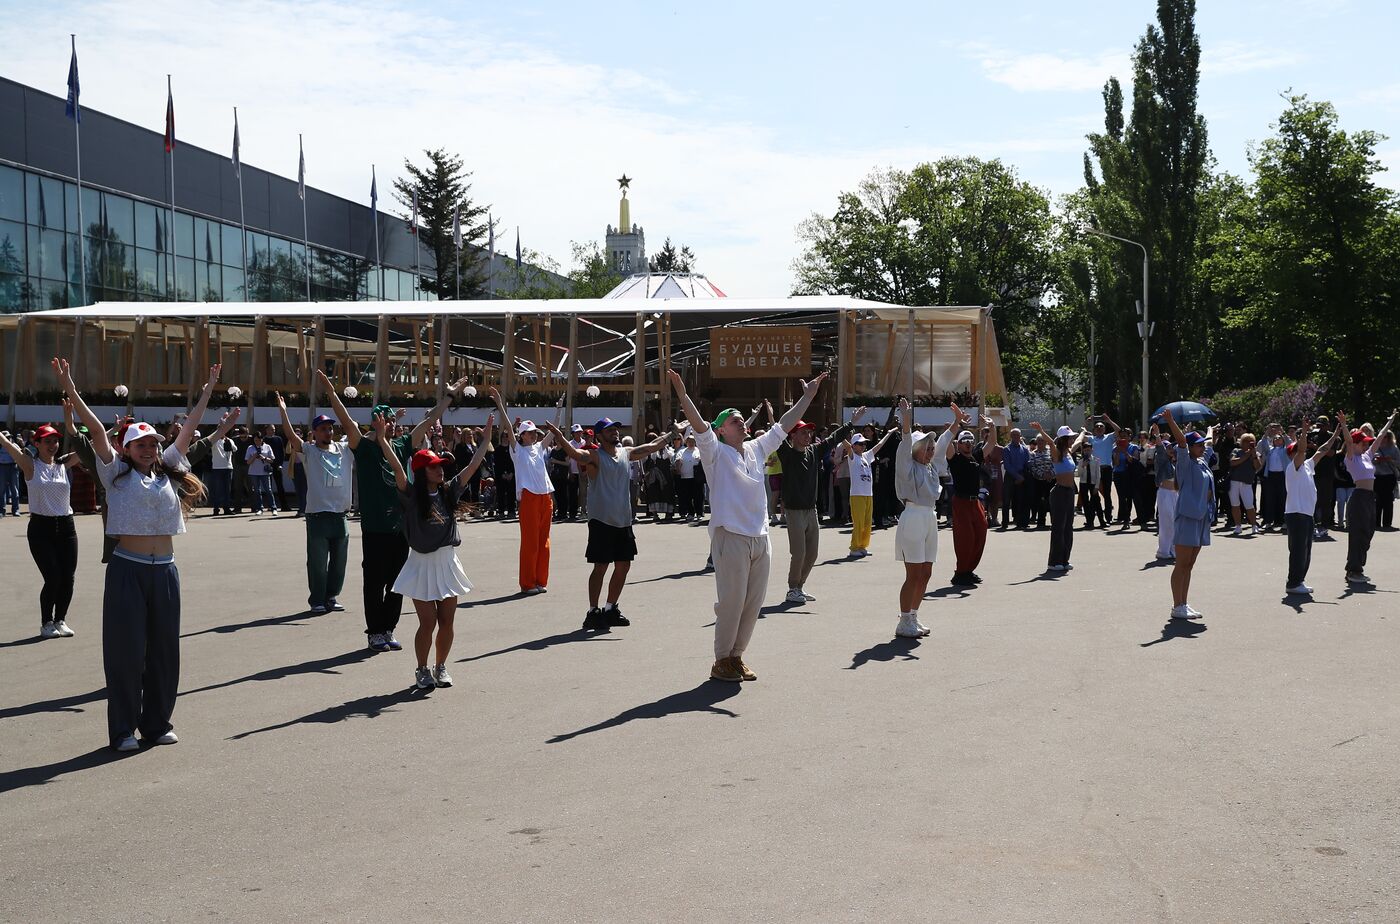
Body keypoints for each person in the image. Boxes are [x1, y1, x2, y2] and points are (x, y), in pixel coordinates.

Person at [55, 357, 220, 752]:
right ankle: (124, 729)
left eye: (153, 444)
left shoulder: (168, 471)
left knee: (165, 650)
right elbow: (95, 430)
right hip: (127, 570)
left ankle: (158, 722)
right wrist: (73, 392)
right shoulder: (114, 473)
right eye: (141, 445)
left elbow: (193, 426)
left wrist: (209, 389)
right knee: (126, 652)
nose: (149, 449)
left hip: (165, 571)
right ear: (126, 449)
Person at [668, 367, 827, 684]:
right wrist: (683, 395)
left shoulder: (756, 449)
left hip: (760, 537)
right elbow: (700, 425)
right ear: (722, 430)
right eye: (733, 420)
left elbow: (782, 426)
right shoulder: (714, 452)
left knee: (753, 604)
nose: (741, 421)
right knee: (732, 601)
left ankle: (736, 656)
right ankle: (721, 659)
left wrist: (807, 396)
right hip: (731, 537)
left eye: (741, 418)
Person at [323, 370, 471, 646]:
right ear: (375, 423)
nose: (391, 425)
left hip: (401, 527)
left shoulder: (402, 445)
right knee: (374, 580)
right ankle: (375, 632)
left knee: (397, 581)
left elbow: (427, 423)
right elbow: (345, 420)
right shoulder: (363, 447)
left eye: (392, 420)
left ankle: (388, 630)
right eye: (384, 421)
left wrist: (449, 397)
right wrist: (332, 394)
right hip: (374, 526)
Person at [374, 412, 494, 689]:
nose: (440, 470)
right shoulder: (411, 495)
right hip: (421, 565)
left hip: (447, 563)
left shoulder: (448, 491)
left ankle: (441, 667)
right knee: (427, 623)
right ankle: (422, 669)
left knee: (447, 622)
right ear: (421, 471)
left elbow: (474, 465)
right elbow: (397, 469)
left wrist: (486, 437)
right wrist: (382, 439)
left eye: (441, 466)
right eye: (433, 467)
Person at [547, 417, 672, 631]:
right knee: (601, 566)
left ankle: (610, 608)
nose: (615, 432)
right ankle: (593, 611)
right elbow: (577, 455)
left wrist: (673, 432)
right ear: (599, 436)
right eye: (609, 430)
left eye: (616, 428)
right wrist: (559, 436)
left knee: (624, 565)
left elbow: (652, 446)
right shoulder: (595, 456)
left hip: (623, 520)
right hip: (601, 521)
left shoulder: (627, 452)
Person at [0, 422, 83, 638]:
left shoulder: (63, 465)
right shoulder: (30, 465)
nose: (53, 444)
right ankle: (47, 623)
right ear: (36, 443)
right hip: (41, 529)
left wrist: (113, 430)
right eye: (47, 441)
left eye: (55, 440)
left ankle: (60, 620)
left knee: (68, 578)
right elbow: (12, 448)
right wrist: (1, 438)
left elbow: (89, 447)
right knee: (53, 577)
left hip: (66, 527)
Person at [276, 395, 356, 619]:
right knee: (318, 563)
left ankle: (331, 596)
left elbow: (356, 432)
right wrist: (283, 411)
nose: (328, 432)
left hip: (340, 515)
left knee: (339, 562)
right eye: (322, 429)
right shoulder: (309, 451)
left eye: (330, 428)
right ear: (314, 433)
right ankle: (317, 600)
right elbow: (291, 436)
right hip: (318, 516)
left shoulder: (344, 450)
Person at [775, 407, 860, 601]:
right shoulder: (786, 453)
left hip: (811, 510)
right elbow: (777, 432)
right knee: (799, 553)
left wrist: (851, 422)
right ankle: (792, 589)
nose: (808, 435)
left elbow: (833, 438)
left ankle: (800, 586)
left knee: (812, 554)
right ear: (793, 436)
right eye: (803, 432)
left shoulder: (813, 451)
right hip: (794, 511)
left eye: (810, 432)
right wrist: (773, 416)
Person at [489, 387, 562, 594]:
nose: (535, 435)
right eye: (530, 433)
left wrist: (559, 409)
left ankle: (540, 581)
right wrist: (500, 405)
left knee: (544, 541)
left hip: (545, 497)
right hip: (529, 497)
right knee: (530, 542)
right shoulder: (517, 451)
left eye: (535, 433)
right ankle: (528, 583)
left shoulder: (539, 448)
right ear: (522, 435)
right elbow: (509, 431)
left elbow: (554, 430)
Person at [893, 397, 952, 638]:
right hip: (913, 517)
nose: (929, 451)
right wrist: (906, 419)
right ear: (916, 450)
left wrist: (956, 424)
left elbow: (945, 442)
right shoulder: (907, 466)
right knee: (914, 573)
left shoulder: (930, 467)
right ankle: (903, 620)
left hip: (929, 517)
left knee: (926, 573)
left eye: (931, 448)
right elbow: (906, 442)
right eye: (925, 448)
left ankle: (913, 616)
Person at [1160, 409, 1213, 621]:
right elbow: (1181, 442)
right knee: (1181, 564)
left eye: (1202, 444)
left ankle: (1184, 602)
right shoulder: (1185, 462)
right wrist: (1171, 421)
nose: (1202, 447)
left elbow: (1209, 445)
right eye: (1198, 444)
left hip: (1202, 519)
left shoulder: (1202, 462)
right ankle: (1177, 605)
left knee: (1189, 564)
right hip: (1187, 517)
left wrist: (1210, 431)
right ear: (1190, 448)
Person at [1337, 409, 1398, 586]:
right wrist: (1343, 424)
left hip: (1370, 497)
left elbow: (1379, 437)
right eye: (1362, 443)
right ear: (1355, 444)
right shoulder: (1350, 458)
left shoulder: (1366, 455)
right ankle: (1353, 570)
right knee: (1357, 534)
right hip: (1358, 498)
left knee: (1368, 533)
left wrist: (1390, 421)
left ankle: (1357, 567)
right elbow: (1348, 441)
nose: (1365, 446)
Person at [1283, 418, 1339, 595]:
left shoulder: (1307, 466)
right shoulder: (1294, 467)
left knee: (1306, 550)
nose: (1302, 452)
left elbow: (1322, 450)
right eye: (1298, 451)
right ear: (1291, 455)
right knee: (1299, 550)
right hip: (1296, 514)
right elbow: (1301, 449)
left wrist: (1337, 432)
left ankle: (1299, 580)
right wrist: (1305, 432)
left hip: (1306, 514)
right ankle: (1293, 583)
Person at [1029, 422, 1084, 572]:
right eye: (1069, 437)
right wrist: (1040, 430)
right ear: (1062, 439)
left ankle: (1065, 559)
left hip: (1069, 492)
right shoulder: (1056, 453)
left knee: (1068, 528)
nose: (1072, 439)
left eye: (1072, 437)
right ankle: (1054, 562)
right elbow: (1049, 442)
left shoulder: (1069, 452)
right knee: (1058, 528)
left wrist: (1083, 432)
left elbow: (1079, 441)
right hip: (1059, 492)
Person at [944, 405, 989, 587]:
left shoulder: (976, 457)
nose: (969, 443)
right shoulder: (954, 459)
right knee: (966, 539)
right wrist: (955, 424)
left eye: (971, 440)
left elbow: (991, 444)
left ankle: (969, 570)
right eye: (965, 441)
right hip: (961, 501)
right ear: (959, 444)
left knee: (981, 534)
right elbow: (946, 443)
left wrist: (992, 428)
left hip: (975, 502)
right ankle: (960, 573)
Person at [845, 422, 896, 561]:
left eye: (864, 444)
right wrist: (846, 431)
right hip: (857, 495)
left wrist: (889, 434)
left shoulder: (866, 456)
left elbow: (878, 446)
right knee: (859, 522)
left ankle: (862, 546)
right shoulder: (852, 457)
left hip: (868, 494)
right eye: (860, 444)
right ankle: (854, 548)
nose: (863, 446)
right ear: (854, 445)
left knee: (867, 523)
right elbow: (845, 444)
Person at [1150, 425, 1178, 561]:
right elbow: (1160, 449)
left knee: (1175, 522)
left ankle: (1173, 549)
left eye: (1171, 447)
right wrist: (1157, 435)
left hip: (1174, 494)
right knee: (1167, 523)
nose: (1171, 449)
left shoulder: (1173, 462)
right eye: (1169, 447)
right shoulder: (1161, 459)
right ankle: (1163, 551)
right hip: (1165, 493)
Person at [1227, 432, 1263, 536]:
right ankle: (1238, 526)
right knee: (1235, 505)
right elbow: (1233, 462)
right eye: (1246, 441)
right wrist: (1247, 455)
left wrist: (1253, 454)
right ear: (1242, 442)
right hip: (1234, 482)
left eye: (1251, 441)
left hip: (1246, 483)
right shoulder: (1236, 451)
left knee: (1249, 505)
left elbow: (1257, 466)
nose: (1248, 443)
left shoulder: (1255, 453)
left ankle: (1254, 526)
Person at [1089, 413, 1122, 523]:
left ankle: (1108, 516)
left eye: (1101, 426)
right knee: (1094, 493)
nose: (1099, 428)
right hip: (1094, 468)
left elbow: (1119, 430)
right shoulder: (1091, 439)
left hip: (1106, 468)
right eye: (1097, 426)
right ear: (1093, 429)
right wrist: (1088, 421)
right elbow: (1081, 433)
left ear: (1104, 428)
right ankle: (1093, 518)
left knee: (1107, 494)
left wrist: (1109, 420)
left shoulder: (1109, 437)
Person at [1002, 428, 1031, 530]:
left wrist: (1023, 476)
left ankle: (1019, 522)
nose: (1016, 437)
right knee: (1006, 500)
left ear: (1020, 436)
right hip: (1010, 476)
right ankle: (1004, 522)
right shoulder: (1007, 449)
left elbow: (1028, 463)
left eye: (1017, 435)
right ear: (1011, 436)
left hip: (1022, 476)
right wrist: (1017, 476)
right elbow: (1007, 465)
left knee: (1020, 499)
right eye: (1013, 435)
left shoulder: (1025, 449)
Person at [244, 432, 278, 515]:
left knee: (268, 490)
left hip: (265, 472)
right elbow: (248, 462)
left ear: (262, 439)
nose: (257, 442)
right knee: (256, 491)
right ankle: (259, 508)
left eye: (258, 440)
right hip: (254, 472)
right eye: (255, 440)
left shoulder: (267, 447)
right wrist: (255, 455)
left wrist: (264, 458)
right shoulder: (250, 448)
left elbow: (272, 460)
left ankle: (273, 508)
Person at [673, 432, 704, 520]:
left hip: (697, 478)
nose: (691, 443)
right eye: (689, 441)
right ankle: (690, 513)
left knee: (698, 496)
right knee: (687, 496)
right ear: (686, 442)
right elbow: (677, 460)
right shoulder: (682, 451)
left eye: (693, 441)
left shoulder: (699, 450)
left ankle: (699, 513)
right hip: (685, 477)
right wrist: (678, 467)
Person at [1375, 430, 1399, 530]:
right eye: (1382, 436)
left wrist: (1390, 460)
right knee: (1377, 500)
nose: (1384, 439)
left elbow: (1399, 462)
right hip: (1377, 476)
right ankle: (1376, 522)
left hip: (1389, 476)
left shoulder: (1394, 448)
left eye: (1386, 437)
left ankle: (1387, 523)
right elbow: (1369, 460)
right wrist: (1377, 460)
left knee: (1388, 500)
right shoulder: (1375, 447)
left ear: (1389, 437)